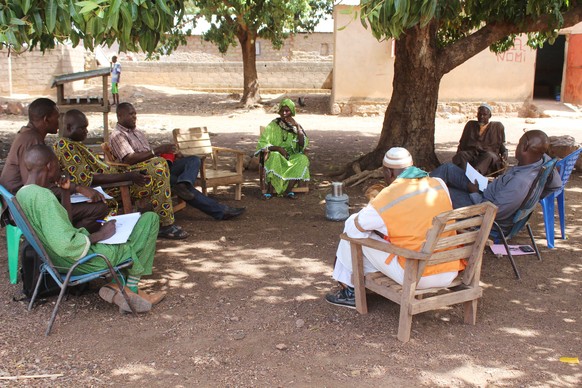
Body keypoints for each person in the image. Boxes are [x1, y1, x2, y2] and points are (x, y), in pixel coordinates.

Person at [16, 144, 165, 313]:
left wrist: (66, 192)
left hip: (57, 260)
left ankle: (122, 286)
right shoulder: (44, 198)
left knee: (147, 220)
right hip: (79, 261)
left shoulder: (24, 193)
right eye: (58, 163)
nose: (61, 167)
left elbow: (63, 224)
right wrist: (101, 234)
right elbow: (66, 245)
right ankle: (128, 288)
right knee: (144, 229)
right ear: (49, 166)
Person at [325, 148, 465, 309]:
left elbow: (354, 229)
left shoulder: (387, 196)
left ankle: (349, 291)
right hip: (450, 269)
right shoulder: (438, 184)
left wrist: (371, 210)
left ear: (388, 172)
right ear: (411, 166)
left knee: (349, 236)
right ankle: (356, 287)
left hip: (417, 275)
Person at [54, 109, 189, 240]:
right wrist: (128, 176)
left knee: (158, 167)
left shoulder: (74, 144)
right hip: (112, 187)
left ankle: (164, 220)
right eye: (82, 128)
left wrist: (132, 173)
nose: (86, 131)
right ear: (69, 127)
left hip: (117, 177)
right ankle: (165, 223)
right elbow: (86, 179)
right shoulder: (64, 146)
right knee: (158, 169)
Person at [109, 102, 245, 221]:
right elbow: (129, 159)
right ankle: (220, 211)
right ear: (120, 116)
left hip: (160, 165)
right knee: (183, 186)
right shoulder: (118, 135)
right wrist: (156, 151)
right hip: (145, 174)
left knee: (193, 160)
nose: (134, 116)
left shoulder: (137, 131)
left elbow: (148, 153)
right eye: (130, 114)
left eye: (135, 113)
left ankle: (183, 184)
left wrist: (170, 154)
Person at [0, 98, 108, 233]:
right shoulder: (32, 141)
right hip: (23, 208)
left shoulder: (29, 134)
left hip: (21, 201)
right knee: (98, 208)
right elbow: (35, 188)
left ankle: (69, 237)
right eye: (57, 118)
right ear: (46, 119)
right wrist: (77, 188)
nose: (59, 122)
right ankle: (70, 242)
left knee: (83, 200)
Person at [431, 129, 562, 233]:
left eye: (520, 142)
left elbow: (491, 212)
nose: (517, 145)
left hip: (481, 210)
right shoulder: (541, 160)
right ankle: (414, 194)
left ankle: (416, 202)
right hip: (487, 192)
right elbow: (556, 185)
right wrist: (537, 196)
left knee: (440, 192)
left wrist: (474, 193)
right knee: (448, 169)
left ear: (525, 147)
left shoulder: (520, 183)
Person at [256, 98, 310, 199]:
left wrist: (297, 128)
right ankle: (269, 191)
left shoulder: (296, 126)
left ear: (292, 112)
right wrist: (279, 149)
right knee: (275, 156)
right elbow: (263, 142)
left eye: (287, 111)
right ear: (279, 111)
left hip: (291, 155)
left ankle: (288, 190)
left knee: (302, 159)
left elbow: (302, 145)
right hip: (276, 154)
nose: (284, 113)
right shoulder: (273, 125)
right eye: (282, 110)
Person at [452, 104, 508, 176]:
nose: (481, 117)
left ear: (489, 116)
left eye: (484, 115)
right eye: (479, 114)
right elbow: (462, 143)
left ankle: (475, 176)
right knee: (461, 155)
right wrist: (459, 153)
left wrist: (505, 152)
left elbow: (501, 144)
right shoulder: (470, 125)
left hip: (488, 155)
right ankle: (465, 175)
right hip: (472, 154)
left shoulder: (497, 127)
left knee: (489, 155)